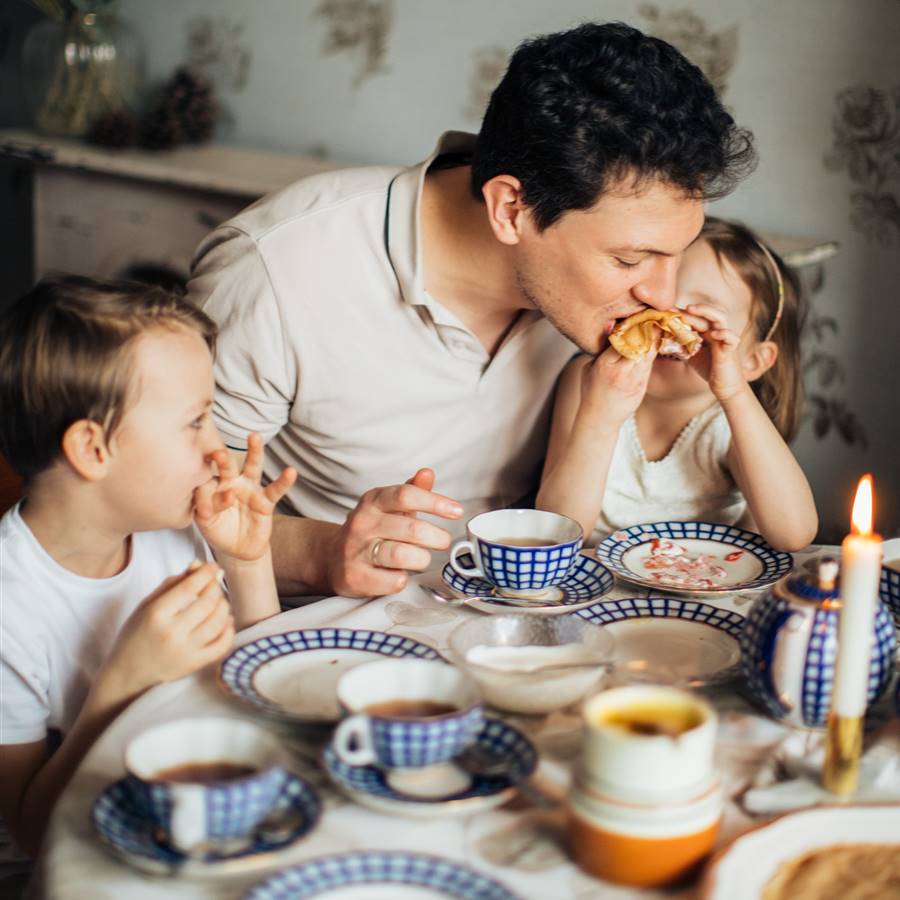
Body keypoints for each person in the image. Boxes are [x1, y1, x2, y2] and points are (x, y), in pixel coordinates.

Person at [188, 21, 756, 599]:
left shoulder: (595, 301)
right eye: (631, 259)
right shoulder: (276, 270)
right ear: (511, 208)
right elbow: (172, 514)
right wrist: (324, 552)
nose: (663, 295)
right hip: (332, 635)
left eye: (675, 256)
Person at [0, 275, 296, 854]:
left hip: (179, 814)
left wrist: (248, 562)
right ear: (92, 450)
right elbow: (33, 836)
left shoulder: (169, 535)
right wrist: (125, 681)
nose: (221, 450)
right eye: (196, 422)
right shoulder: (10, 608)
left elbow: (256, 701)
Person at [536, 217, 818, 551]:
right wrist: (599, 417)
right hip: (604, 588)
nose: (669, 324)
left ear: (752, 361)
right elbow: (555, 533)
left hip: (709, 586)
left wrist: (734, 391)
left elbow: (795, 534)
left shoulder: (729, 422)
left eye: (701, 315)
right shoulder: (590, 381)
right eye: (659, 305)